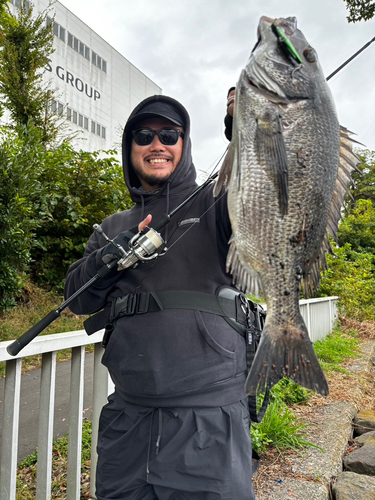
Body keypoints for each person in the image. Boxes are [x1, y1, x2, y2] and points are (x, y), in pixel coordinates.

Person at [64, 94, 256, 500]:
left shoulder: (217, 203)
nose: (157, 144)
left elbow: (262, 188)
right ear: (130, 148)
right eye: (144, 136)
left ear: (184, 145)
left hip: (208, 418)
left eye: (169, 134)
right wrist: (106, 257)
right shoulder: (111, 226)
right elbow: (76, 299)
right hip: (128, 417)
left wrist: (246, 129)